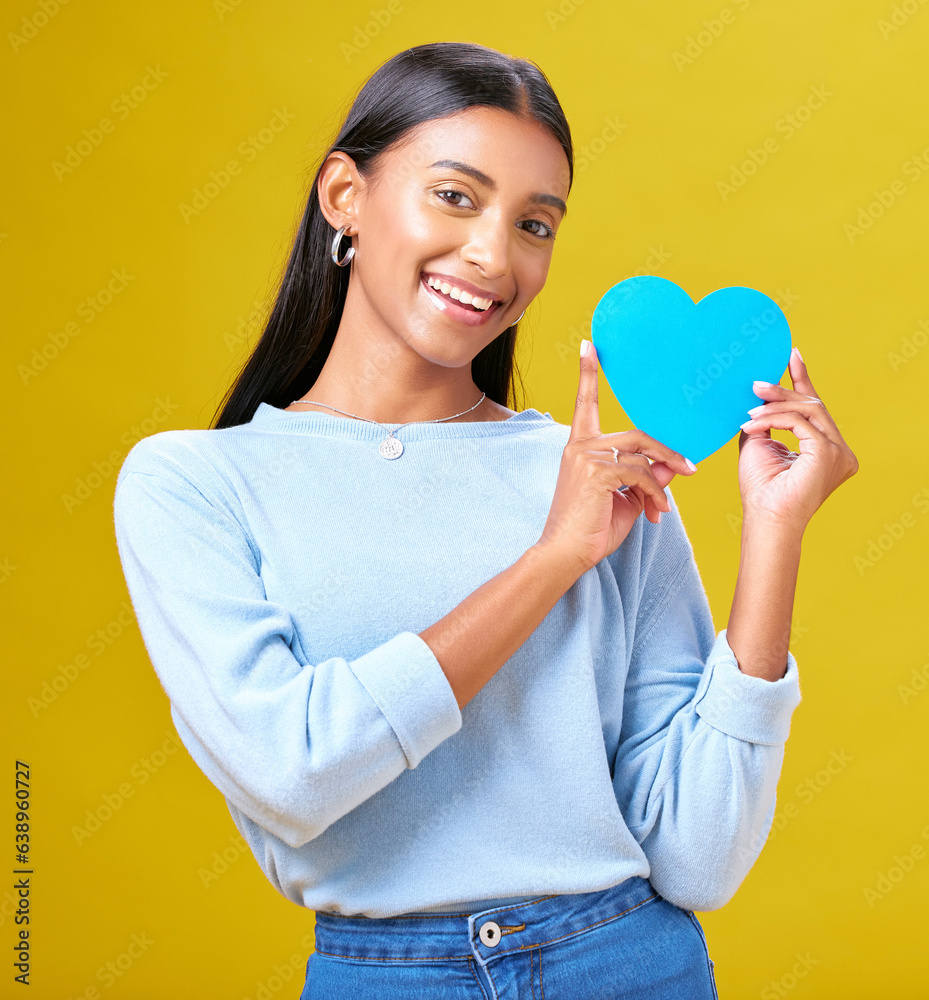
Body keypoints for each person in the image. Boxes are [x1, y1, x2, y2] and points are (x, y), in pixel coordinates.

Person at [112, 41, 858, 1000]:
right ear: (344, 195)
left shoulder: (601, 480)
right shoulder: (194, 483)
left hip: (631, 962)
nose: (493, 256)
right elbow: (293, 775)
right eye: (455, 196)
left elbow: (696, 859)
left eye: (534, 223)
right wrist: (550, 559)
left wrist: (773, 535)